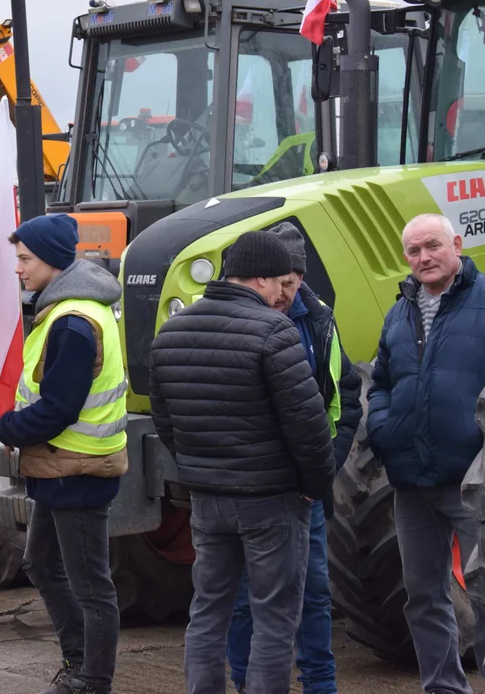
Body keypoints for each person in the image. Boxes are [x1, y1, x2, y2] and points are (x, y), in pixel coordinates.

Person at [149, 230, 336, 694]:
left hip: (207, 501)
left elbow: (165, 420)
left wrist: (199, 468)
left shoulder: (172, 332)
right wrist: (315, 485)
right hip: (271, 500)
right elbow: (309, 425)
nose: (283, 295)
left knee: (208, 611)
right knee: (275, 619)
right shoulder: (275, 331)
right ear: (261, 279)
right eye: (280, 283)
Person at [367, 213, 485, 694]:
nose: (423, 258)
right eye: (413, 251)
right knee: (423, 596)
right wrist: (382, 428)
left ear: (457, 245)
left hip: (474, 479)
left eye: (432, 246)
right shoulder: (400, 311)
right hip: (411, 481)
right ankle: (443, 687)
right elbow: (381, 381)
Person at [225, 222, 362, 694]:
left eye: (293, 282)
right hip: (257, 489)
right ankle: (244, 682)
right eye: (278, 282)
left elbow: (344, 399)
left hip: (306, 491)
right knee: (246, 595)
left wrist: (323, 470)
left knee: (314, 591)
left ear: (300, 276)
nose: (284, 293)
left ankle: (320, 685)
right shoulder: (238, 321)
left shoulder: (321, 321)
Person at [0, 213, 127, 694]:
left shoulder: (73, 320)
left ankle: (92, 680)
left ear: (51, 259)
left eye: (25, 259)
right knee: (42, 563)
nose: (18, 269)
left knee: (91, 586)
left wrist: (7, 427)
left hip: (77, 468)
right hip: (61, 466)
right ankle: (78, 662)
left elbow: (58, 408)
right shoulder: (73, 310)